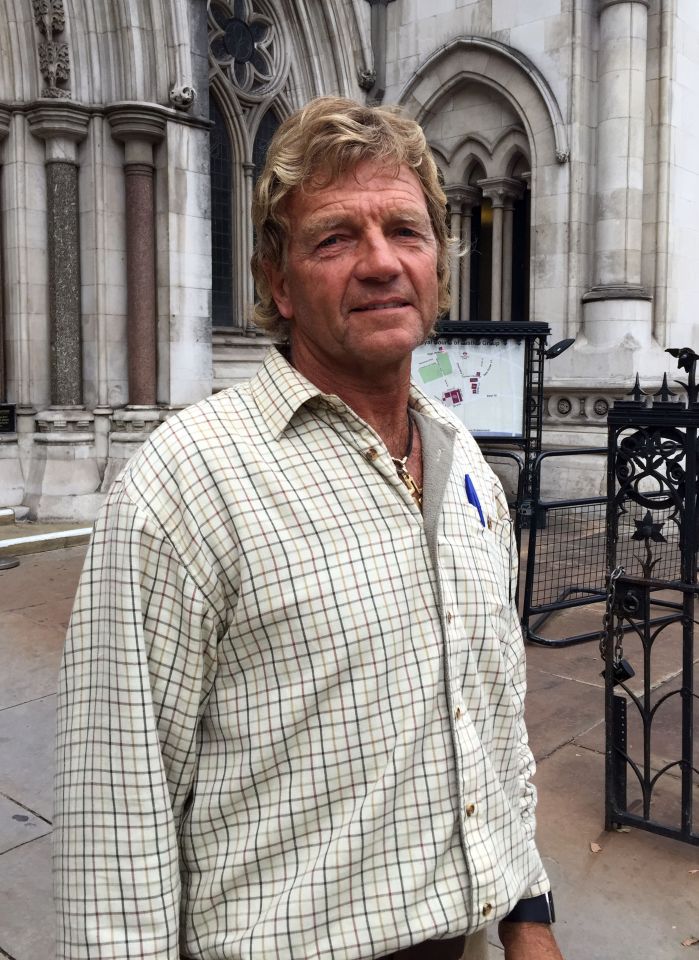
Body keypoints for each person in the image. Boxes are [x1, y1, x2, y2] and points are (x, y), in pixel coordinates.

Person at [54, 96, 563, 960]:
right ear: (278, 283)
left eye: (405, 231)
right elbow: (114, 830)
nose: (379, 264)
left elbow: (490, 716)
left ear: (439, 262)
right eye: (334, 238)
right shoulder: (186, 484)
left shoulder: (463, 463)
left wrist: (529, 917)